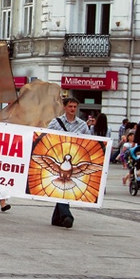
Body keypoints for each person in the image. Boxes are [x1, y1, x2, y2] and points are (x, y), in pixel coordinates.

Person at [47, 97, 90, 229]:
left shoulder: (82, 125)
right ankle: (67, 216)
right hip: (59, 158)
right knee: (62, 186)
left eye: (74, 107)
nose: (72, 109)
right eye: (70, 106)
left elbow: (89, 141)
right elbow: (47, 137)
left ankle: (58, 218)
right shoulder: (56, 122)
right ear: (64, 107)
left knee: (64, 187)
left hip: (74, 159)